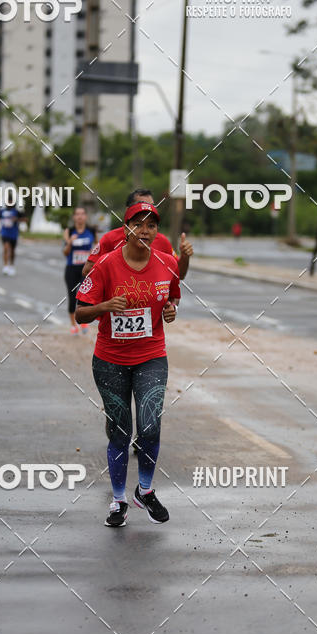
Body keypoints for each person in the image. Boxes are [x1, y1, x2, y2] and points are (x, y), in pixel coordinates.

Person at [76, 201, 179, 528]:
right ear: (126, 228)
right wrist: (106, 305)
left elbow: (172, 297)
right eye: (138, 224)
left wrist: (171, 310)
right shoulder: (106, 264)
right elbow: (80, 313)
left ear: (156, 231)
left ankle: (144, 491)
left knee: (150, 427)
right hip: (110, 361)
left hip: (152, 356)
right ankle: (118, 501)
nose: (144, 231)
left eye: (151, 225)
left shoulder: (167, 263)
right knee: (120, 433)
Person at [82, 189, 194, 281]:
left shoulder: (162, 241)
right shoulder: (110, 239)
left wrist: (185, 256)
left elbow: (179, 275)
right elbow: (87, 271)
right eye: (141, 205)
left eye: (151, 206)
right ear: (128, 211)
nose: (147, 209)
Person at [63, 207, 96, 334]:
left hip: (86, 270)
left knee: (84, 296)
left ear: (86, 216)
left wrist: (93, 254)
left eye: (82, 214)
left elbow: (98, 246)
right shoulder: (69, 231)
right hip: (71, 268)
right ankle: (73, 324)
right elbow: (65, 252)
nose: (80, 216)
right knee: (72, 297)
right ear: (74, 217)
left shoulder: (91, 231)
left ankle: (84, 321)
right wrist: (70, 242)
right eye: (77, 214)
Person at [0, 201, 24, 275]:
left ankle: (11, 265)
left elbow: (24, 219)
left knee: (12, 250)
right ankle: (5, 266)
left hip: (13, 234)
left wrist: (16, 219)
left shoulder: (17, 212)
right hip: (4, 233)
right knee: (5, 248)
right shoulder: (1, 211)